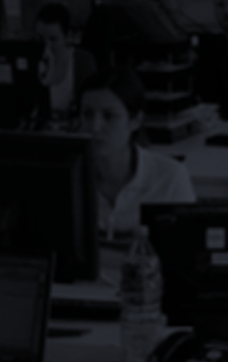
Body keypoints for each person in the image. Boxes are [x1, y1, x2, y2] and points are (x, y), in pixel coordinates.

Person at [78, 68, 195, 237]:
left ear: (135, 120)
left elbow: (185, 247)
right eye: (87, 114)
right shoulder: (70, 178)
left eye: (108, 116)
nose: (95, 127)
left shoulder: (170, 178)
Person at [34, 1, 97, 121]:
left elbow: (91, 104)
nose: (46, 45)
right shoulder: (33, 61)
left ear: (68, 36)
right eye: (40, 39)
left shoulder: (83, 61)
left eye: (53, 39)